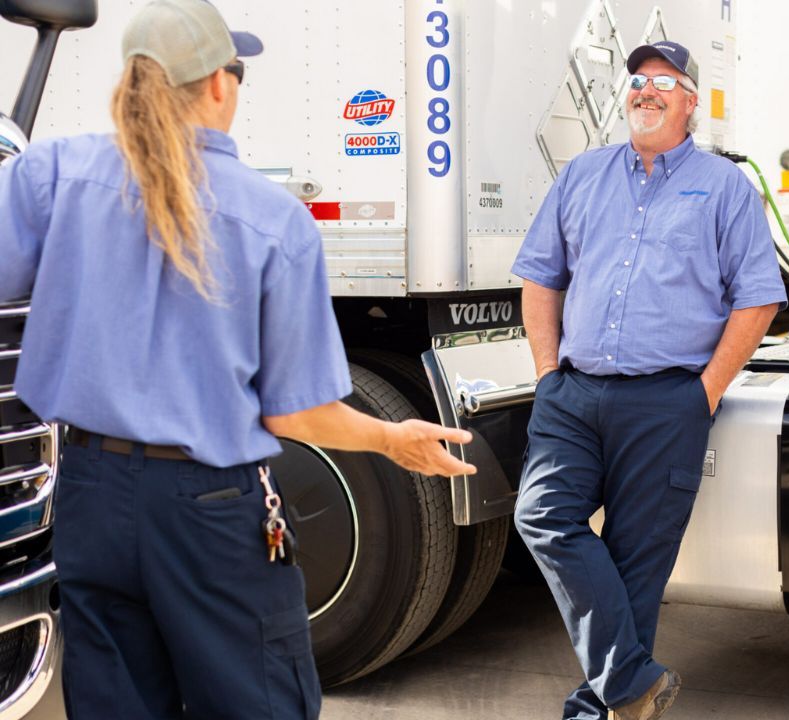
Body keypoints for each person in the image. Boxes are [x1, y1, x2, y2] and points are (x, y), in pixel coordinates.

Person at [0, 2, 475, 718]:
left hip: (89, 498)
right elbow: (297, 411)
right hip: (208, 511)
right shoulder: (271, 220)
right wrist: (388, 437)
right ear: (219, 85)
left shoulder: (53, 175)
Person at [511, 40, 786, 720]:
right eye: (637, 81)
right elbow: (541, 277)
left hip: (668, 400)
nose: (646, 91)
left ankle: (599, 708)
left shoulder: (725, 187)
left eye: (664, 81)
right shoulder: (581, 175)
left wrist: (706, 391)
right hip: (572, 395)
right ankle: (631, 682)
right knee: (541, 516)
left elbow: (758, 297)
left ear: (691, 103)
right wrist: (547, 373)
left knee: (637, 561)